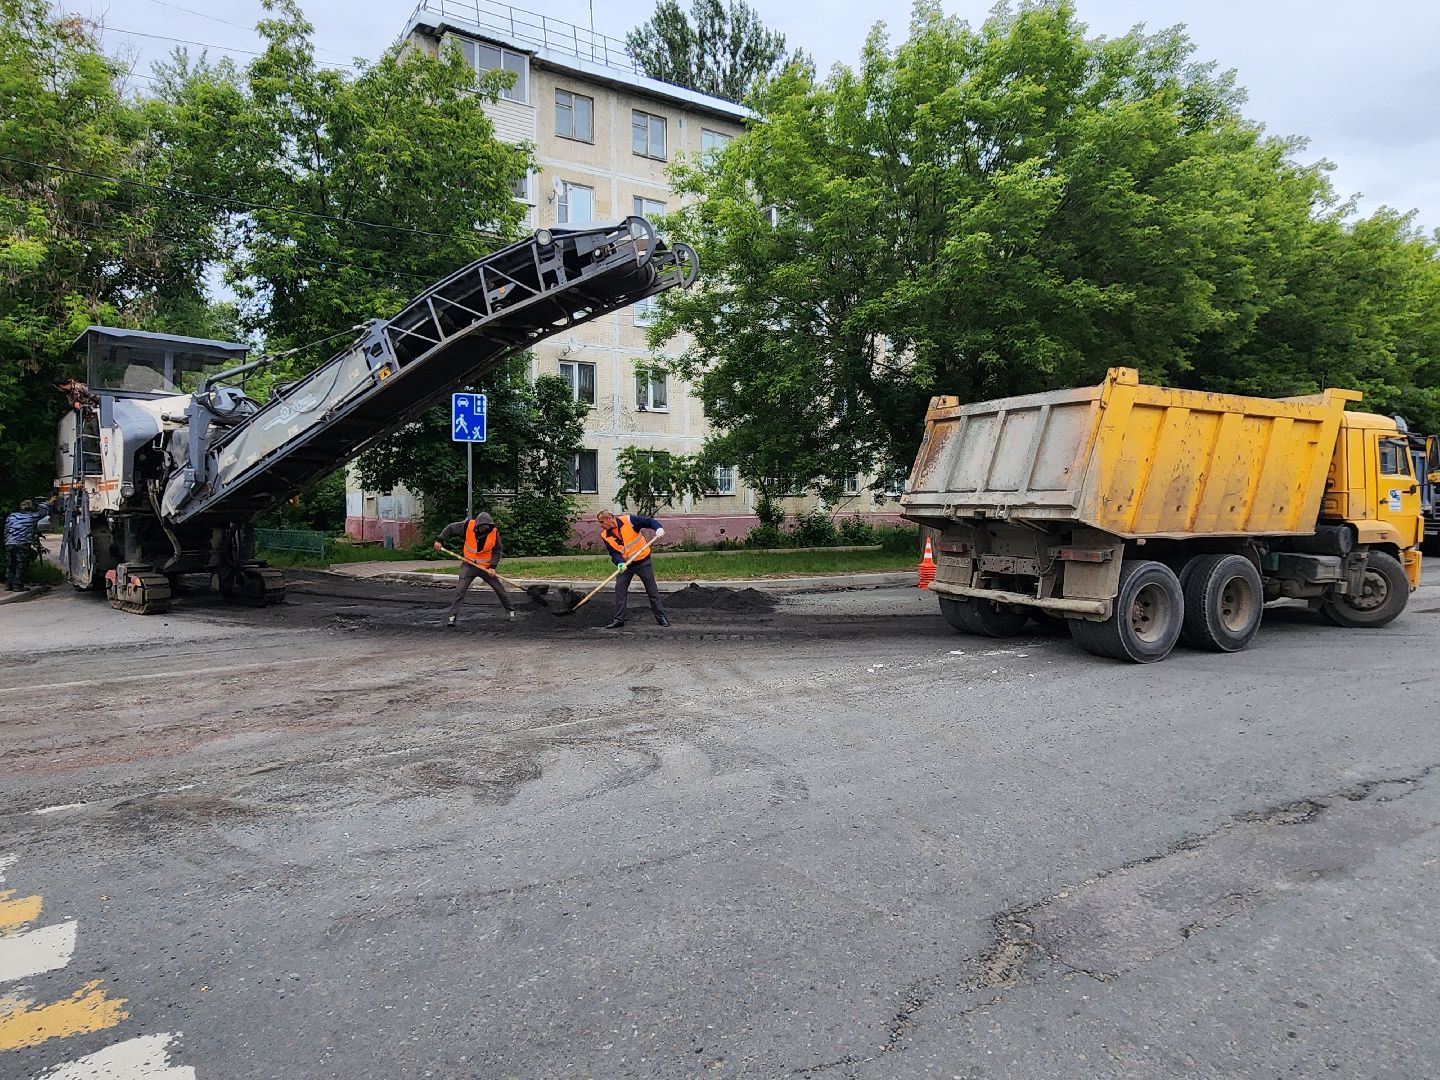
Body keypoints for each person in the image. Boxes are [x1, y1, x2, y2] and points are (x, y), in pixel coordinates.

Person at [434, 511, 515, 625]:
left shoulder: (493, 532)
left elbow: (497, 551)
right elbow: (451, 528)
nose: (484, 530)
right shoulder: (467, 526)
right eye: (482, 527)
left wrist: (493, 567)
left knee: (499, 588)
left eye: (487, 527)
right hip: (469, 564)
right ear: (477, 525)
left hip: (486, 567)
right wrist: (439, 540)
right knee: (460, 590)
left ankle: (511, 611)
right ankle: (452, 616)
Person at [596, 510, 668, 629]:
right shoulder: (605, 535)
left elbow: (649, 522)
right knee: (620, 590)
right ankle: (619, 620)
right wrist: (619, 563)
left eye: (601, 522)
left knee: (652, 591)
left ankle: (661, 617)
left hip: (643, 562)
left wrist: (658, 528)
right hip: (626, 565)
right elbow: (614, 553)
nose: (600, 525)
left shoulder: (629, 521)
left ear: (609, 519)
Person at [5, 497, 55, 592]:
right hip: (22, 543)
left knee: (10, 564)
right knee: (21, 564)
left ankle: (8, 584)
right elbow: (44, 512)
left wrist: (7, 540)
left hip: (10, 542)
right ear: (30, 508)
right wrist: (49, 502)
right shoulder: (31, 516)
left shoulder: (11, 516)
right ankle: (18, 585)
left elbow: (6, 530)